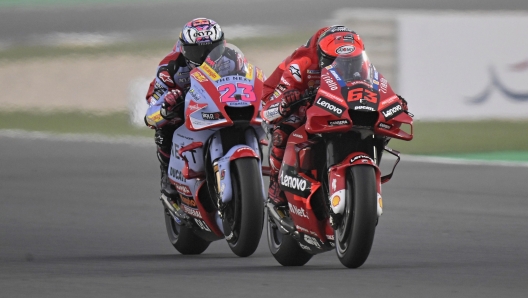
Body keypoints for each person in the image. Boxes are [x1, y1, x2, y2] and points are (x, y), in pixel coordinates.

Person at [260, 25, 408, 206]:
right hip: (278, 96)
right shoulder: (302, 65)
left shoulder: (362, 64)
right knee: (285, 128)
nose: (345, 66)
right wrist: (287, 100)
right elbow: (268, 109)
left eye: (351, 61)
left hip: (329, 100)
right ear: (323, 57)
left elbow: (378, 87)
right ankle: (276, 184)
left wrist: (394, 101)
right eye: (336, 61)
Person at [144, 18, 243, 196]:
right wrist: (166, 108)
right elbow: (150, 117)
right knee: (164, 127)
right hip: (186, 106)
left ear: (223, 45)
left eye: (212, 50)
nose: (206, 57)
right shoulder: (170, 69)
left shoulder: (232, 59)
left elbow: (248, 82)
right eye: (198, 52)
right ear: (184, 50)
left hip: (220, 103)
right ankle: (167, 173)